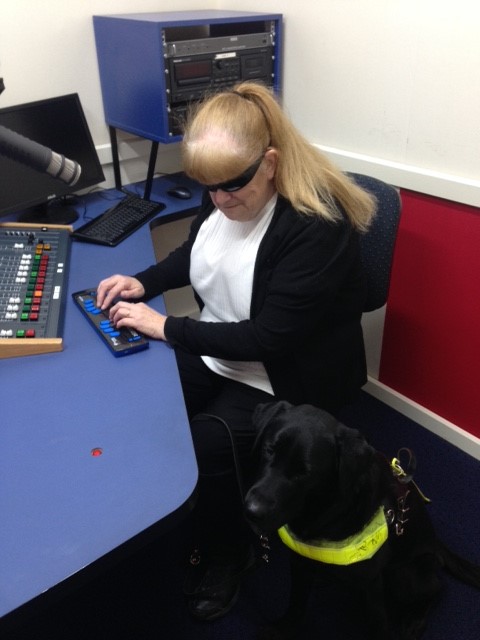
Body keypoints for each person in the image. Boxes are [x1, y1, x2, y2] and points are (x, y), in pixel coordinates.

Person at [96, 81, 376, 622]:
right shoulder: (227, 193)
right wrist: (142, 283)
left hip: (284, 373)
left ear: (269, 163)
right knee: (144, 395)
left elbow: (269, 338)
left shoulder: (317, 225)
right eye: (210, 189)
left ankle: (232, 552)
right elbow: (196, 252)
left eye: (231, 188)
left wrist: (168, 326)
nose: (220, 201)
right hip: (222, 344)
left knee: (208, 443)